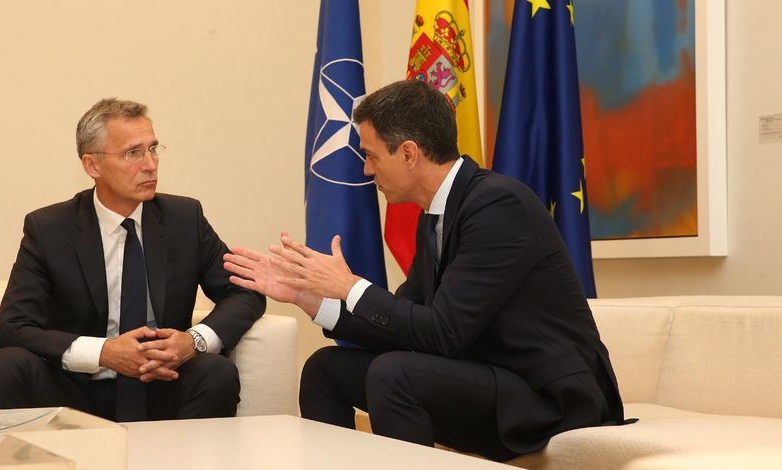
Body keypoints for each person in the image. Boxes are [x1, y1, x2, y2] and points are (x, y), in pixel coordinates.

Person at [223, 80, 625, 460]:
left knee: (394, 373)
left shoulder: (498, 206)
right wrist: (311, 300)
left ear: (410, 153)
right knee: (325, 369)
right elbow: (402, 326)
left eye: (371, 155)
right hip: (490, 378)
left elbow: (444, 332)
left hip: (549, 397)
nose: (366, 170)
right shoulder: (435, 216)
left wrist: (350, 286)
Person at [0, 98, 265, 422]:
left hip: (162, 385)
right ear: (92, 165)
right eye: (133, 153)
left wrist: (193, 340)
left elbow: (245, 291)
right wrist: (104, 353)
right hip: (75, 390)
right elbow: (12, 328)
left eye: (153, 149)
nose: (150, 164)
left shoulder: (185, 219)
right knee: (4, 366)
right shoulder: (49, 229)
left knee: (216, 371)